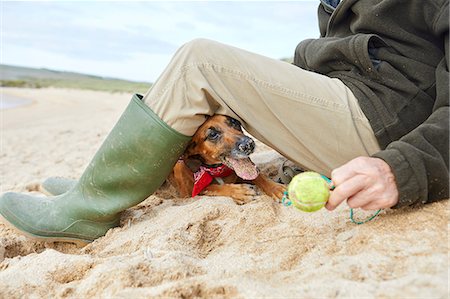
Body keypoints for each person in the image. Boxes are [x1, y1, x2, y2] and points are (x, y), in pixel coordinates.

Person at [0, 0, 448, 244]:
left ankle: (87, 208)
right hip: (355, 108)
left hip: (387, 127)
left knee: (200, 60)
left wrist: (403, 167)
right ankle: (93, 191)